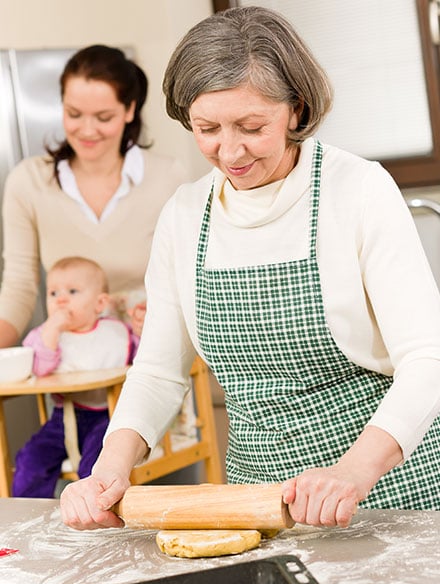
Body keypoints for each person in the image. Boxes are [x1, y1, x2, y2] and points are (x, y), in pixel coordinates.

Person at [60, 6, 440, 531]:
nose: (230, 150)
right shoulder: (186, 215)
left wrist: (351, 473)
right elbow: (158, 371)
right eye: (207, 128)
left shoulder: (358, 190)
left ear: (296, 109)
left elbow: (427, 357)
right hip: (254, 504)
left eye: (252, 126)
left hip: (382, 492)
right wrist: (109, 468)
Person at [0, 44, 187, 348]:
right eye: (74, 114)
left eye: (103, 117)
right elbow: (19, 287)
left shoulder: (167, 178)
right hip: (71, 364)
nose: (87, 130)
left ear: (129, 110)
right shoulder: (28, 182)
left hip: (153, 356)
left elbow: (190, 280)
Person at [13, 256, 139, 498]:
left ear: (100, 303)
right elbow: (40, 368)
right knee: (31, 460)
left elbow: (142, 360)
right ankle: (31, 515)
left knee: (98, 463)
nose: (60, 299)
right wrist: (52, 329)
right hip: (62, 418)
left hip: (109, 416)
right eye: (52, 293)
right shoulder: (44, 336)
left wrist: (141, 331)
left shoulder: (116, 333)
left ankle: (95, 510)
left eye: (72, 291)